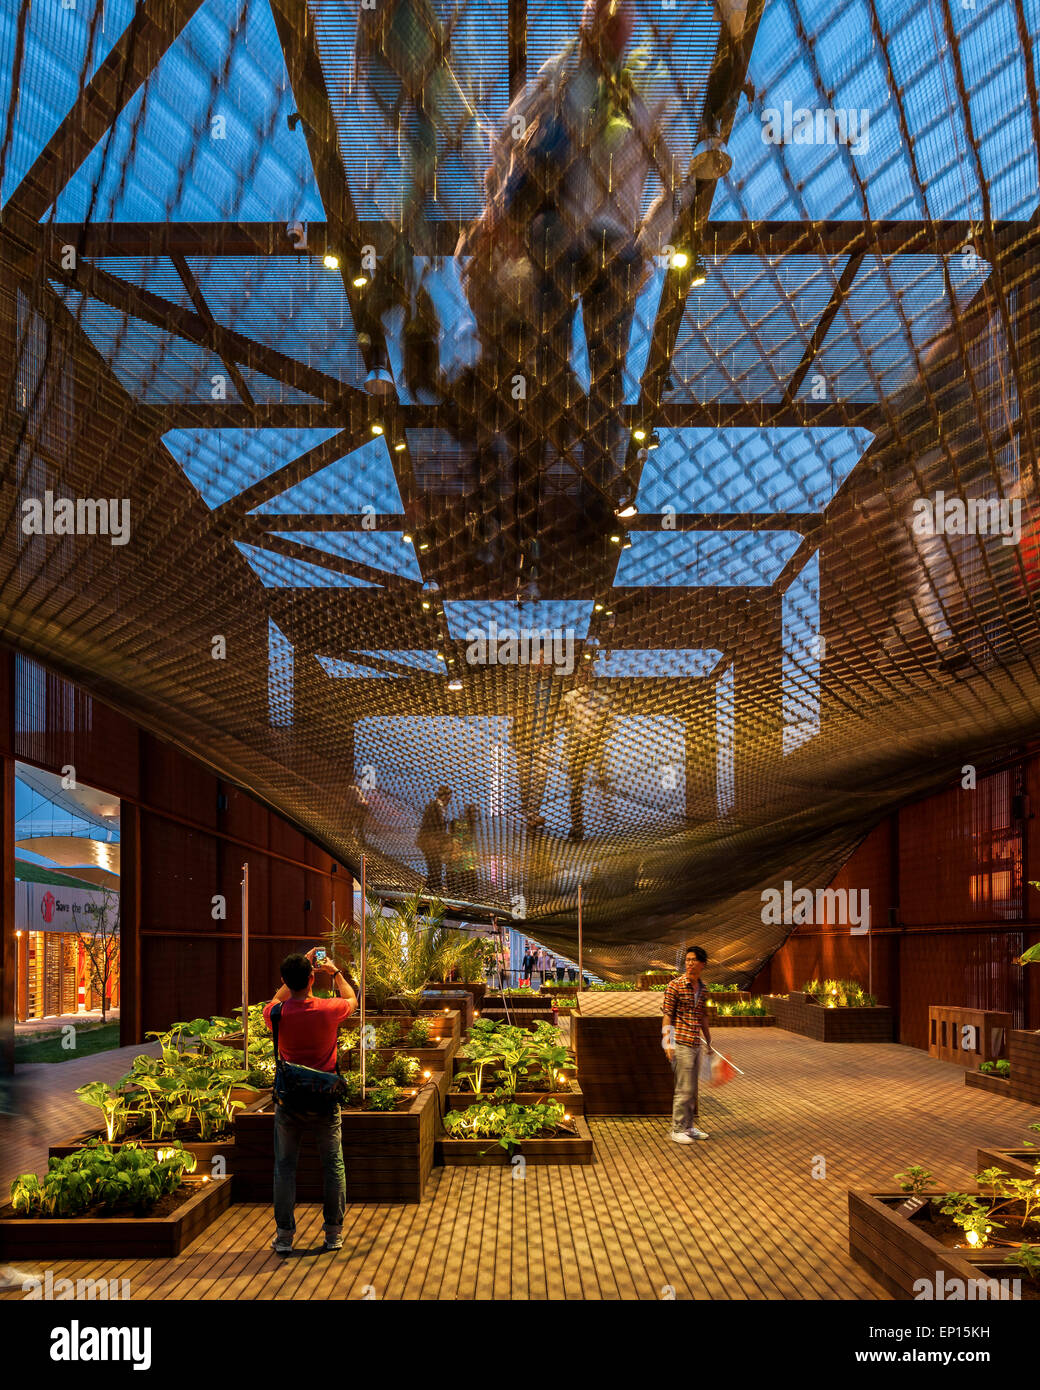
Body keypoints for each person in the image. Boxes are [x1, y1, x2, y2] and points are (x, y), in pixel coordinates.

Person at [472, 0, 695, 530]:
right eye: (601, 9)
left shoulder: (643, 80)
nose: (610, 16)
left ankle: (590, 486)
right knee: (559, 361)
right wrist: (499, 202)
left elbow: (680, 178)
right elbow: (508, 137)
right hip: (565, 234)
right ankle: (564, 466)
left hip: (609, 241)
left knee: (604, 371)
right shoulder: (565, 71)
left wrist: (648, 244)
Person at [263, 948, 357, 1253]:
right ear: (312, 977)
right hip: (325, 1100)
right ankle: (333, 1234)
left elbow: (277, 999)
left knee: (285, 1167)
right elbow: (353, 1001)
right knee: (333, 1165)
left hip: (289, 1101)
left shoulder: (275, 1014)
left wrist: (298, 968)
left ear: (284, 980)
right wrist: (336, 972)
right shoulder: (329, 1009)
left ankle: (285, 1237)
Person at [662, 945, 711, 1144]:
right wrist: (668, 1044)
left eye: (694, 960)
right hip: (681, 1043)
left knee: (692, 1090)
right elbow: (667, 1016)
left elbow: (703, 1016)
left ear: (702, 964)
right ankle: (677, 1129)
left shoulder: (703, 988)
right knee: (684, 1088)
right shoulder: (675, 986)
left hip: (695, 1043)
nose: (689, 964)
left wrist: (708, 1039)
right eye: (687, 960)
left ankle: (689, 1127)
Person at [561, 659, 614, 840]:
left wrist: (603, 736)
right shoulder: (569, 698)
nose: (585, 677)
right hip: (578, 744)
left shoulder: (601, 699)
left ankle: (607, 817)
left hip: (594, 744)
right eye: (582, 673)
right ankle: (577, 824)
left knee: (600, 783)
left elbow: (609, 722)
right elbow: (565, 724)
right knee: (576, 787)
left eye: (588, 673)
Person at [416, 785, 453, 888]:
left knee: (435, 867)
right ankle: (433, 888)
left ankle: (433, 887)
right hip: (430, 842)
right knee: (435, 867)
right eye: (448, 797)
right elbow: (430, 825)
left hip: (431, 842)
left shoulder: (439, 807)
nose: (449, 800)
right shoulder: (434, 807)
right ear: (444, 796)